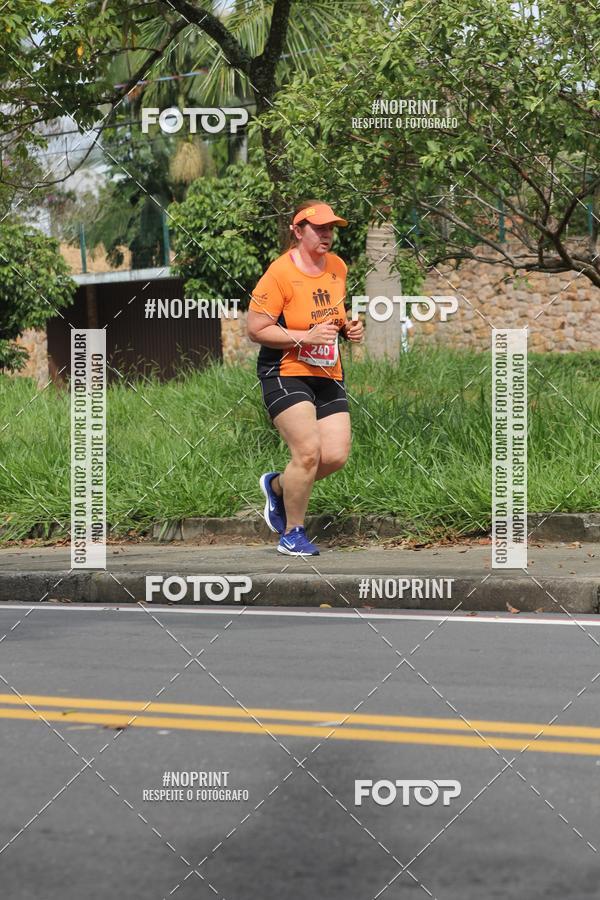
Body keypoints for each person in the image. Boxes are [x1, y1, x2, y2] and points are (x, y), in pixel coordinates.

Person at [247, 200, 364, 556]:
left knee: (336, 455)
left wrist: (349, 328)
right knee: (308, 452)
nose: (327, 235)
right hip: (285, 370)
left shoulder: (338, 267)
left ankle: (279, 486)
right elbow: (256, 328)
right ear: (298, 231)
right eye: (319, 228)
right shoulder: (280, 273)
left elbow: (332, 315)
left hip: (327, 370)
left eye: (331, 229)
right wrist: (304, 337)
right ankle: (292, 533)